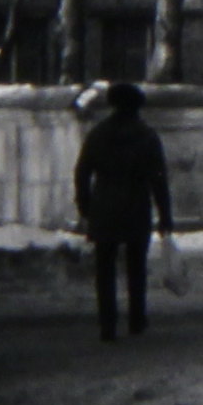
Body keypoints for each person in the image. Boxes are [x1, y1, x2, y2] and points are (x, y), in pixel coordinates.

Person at [74, 82, 175, 341]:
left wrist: (85, 207)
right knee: (136, 266)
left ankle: (107, 324)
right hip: (136, 204)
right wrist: (165, 216)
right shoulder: (147, 136)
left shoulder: (98, 134)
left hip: (105, 205)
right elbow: (158, 178)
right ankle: (136, 319)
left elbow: (82, 172)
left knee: (105, 268)